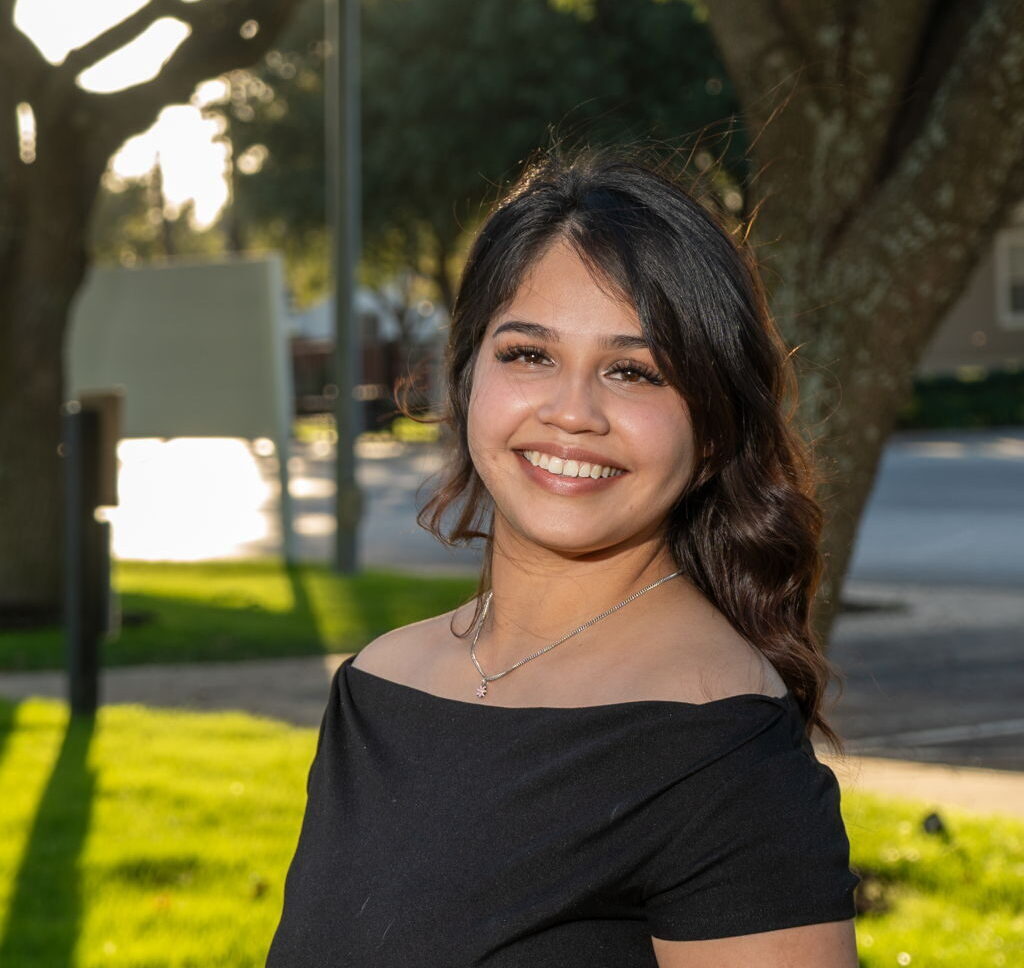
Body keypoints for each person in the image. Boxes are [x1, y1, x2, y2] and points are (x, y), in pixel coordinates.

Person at [264, 147, 861, 967]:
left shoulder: (718, 746)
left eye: (633, 370)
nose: (572, 412)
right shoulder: (376, 689)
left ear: (715, 427)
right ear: (466, 376)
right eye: (529, 355)